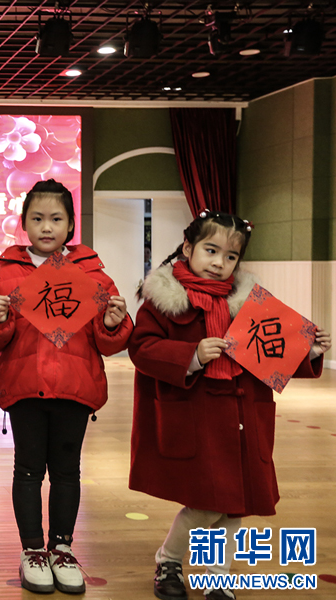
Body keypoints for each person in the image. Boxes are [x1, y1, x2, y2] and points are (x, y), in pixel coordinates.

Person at [128, 211, 331, 600]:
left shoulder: (251, 304)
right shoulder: (163, 302)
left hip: (241, 418)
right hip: (196, 419)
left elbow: (274, 352)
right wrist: (192, 354)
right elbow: (142, 349)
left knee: (234, 507)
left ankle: (218, 575)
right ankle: (168, 559)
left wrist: (310, 351)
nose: (219, 262)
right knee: (205, 505)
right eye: (210, 250)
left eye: (231, 256)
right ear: (188, 248)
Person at [0, 179, 132, 595]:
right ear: (23, 223)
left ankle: (62, 548)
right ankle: (32, 551)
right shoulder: (2, 275)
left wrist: (112, 323)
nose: (47, 227)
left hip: (75, 388)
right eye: (38, 218)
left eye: (56, 219)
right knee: (27, 471)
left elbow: (109, 340)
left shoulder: (92, 275)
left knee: (66, 472)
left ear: (71, 224)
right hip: (24, 387)